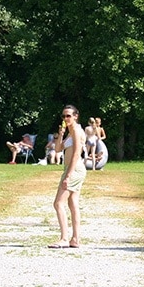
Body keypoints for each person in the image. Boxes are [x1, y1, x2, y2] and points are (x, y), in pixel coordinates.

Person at [50, 105, 86, 249]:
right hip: (73, 169)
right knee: (72, 204)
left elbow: (77, 153)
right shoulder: (70, 132)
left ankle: (64, 238)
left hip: (74, 169)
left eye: (68, 116)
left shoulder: (77, 131)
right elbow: (58, 149)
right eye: (64, 116)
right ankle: (75, 239)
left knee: (58, 203)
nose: (65, 119)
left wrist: (68, 175)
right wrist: (61, 133)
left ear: (76, 116)